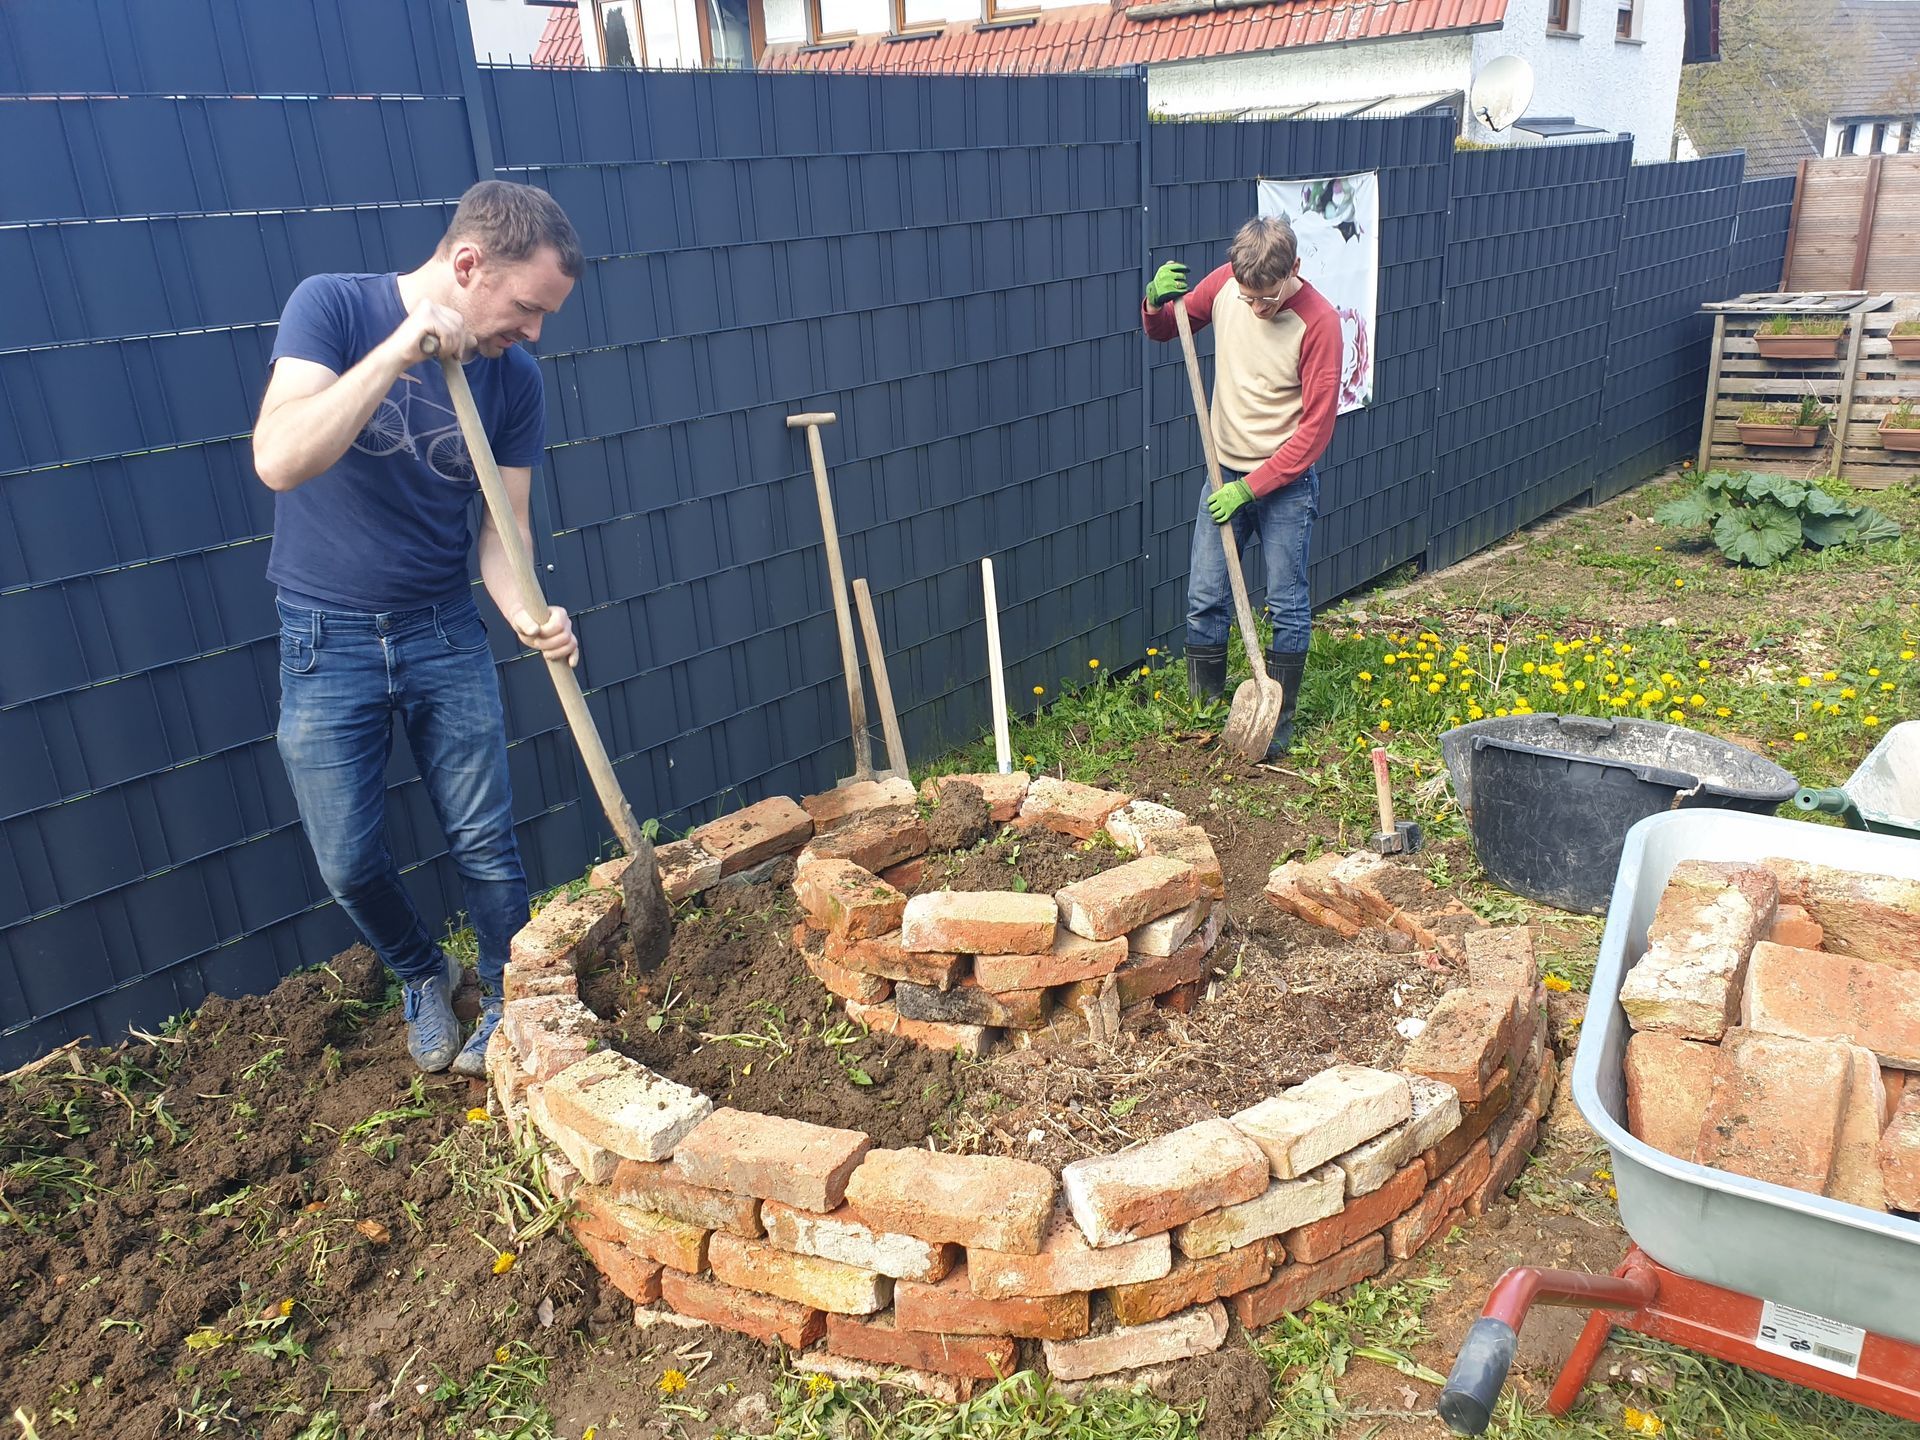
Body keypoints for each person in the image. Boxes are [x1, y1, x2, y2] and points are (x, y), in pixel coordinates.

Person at [252, 181, 583, 1076]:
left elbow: (500, 536)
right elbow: (280, 457)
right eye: (525, 307)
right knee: (348, 860)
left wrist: (528, 613)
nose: (535, 331)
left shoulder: (514, 378)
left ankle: (512, 996)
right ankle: (419, 970)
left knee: (485, 842)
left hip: (443, 632)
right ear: (468, 265)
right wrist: (399, 351)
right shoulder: (333, 308)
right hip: (326, 640)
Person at [1142, 215, 1340, 757]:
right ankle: (1202, 716)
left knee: (1286, 602)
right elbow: (1165, 330)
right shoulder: (1227, 286)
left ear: (1293, 270)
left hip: (1283, 486)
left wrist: (1253, 488)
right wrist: (1154, 302)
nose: (1256, 308)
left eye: (1267, 299)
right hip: (1221, 471)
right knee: (1205, 596)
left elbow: (1315, 432)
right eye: (1248, 297)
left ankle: (1277, 727)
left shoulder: (1318, 323)